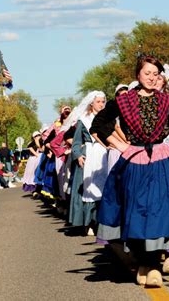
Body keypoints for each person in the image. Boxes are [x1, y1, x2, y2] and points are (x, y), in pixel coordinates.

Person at [90, 55, 169, 288]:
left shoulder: (166, 101)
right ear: (137, 75)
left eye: (155, 74)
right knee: (138, 212)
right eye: (147, 73)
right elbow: (99, 125)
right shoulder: (124, 101)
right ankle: (143, 262)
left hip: (162, 162)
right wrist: (123, 147)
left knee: (160, 211)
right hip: (135, 163)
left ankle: (151, 264)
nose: (151, 78)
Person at [68, 91, 108, 236]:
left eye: (103, 102)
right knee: (89, 189)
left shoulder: (107, 118)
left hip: (105, 154)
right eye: (99, 102)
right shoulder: (83, 120)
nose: (102, 104)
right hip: (90, 154)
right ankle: (89, 222)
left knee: (104, 189)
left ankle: (102, 223)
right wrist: (78, 155)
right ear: (92, 103)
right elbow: (77, 142)